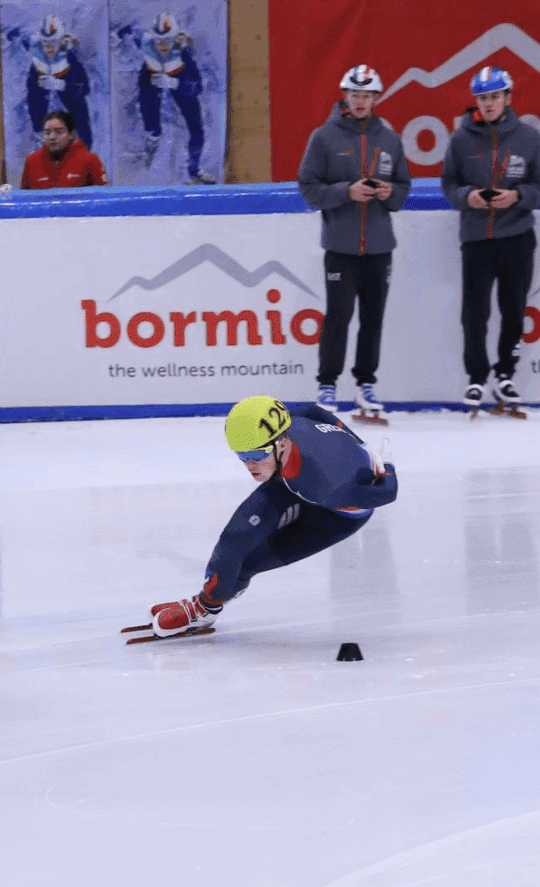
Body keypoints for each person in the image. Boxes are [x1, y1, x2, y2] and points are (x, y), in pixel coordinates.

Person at [143, 397, 399, 639]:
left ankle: (204, 610)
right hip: (293, 478)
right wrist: (359, 441)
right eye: (242, 456)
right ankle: (206, 605)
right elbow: (313, 410)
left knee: (250, 563)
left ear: (282, 444)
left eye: (255, 456)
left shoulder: (331, 487)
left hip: (337, 513)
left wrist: (386, 466)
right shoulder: (289, 427)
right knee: (236, 537)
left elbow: (387, 493)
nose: (249, 465)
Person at [296, 65, 410, 420]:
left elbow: (404, 189)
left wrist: (390, 193)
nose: (361, 102)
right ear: (345, 95)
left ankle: (366, 384)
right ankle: (327, 384)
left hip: (379, 247)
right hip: (341, 248)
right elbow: (308, 188)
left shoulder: (389, 139)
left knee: (373, 319)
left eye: (367, 96)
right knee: (339, 317)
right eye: (355, 95)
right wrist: (347, 191)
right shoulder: (324, 137)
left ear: (377, 98)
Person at [441, 67, 540, 411]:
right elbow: (448, 184)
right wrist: (468, 196)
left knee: (513, 311)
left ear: (507, 97)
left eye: (493, 97)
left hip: (517, 236)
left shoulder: (528, 137)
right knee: (474, 314)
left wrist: (518, 197)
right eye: (482, 98)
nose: (487, 104)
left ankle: (505, 374)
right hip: (476, 238)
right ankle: (476, 377)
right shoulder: (461, 139)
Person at [133, 13, 214, 184]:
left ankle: (194, 170)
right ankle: (151, 144)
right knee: (152, 126)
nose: (162, 46)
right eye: (158, 41)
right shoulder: (147, 48)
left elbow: (197, 86)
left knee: (196, 128)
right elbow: (130, 32)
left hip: (180, 81)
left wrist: (176, 84)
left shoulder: (184, 55)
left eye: (167, 41)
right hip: (154, 85)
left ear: (176, 40)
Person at [23, 15, 94, 153]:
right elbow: (30, 92)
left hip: (71, 123)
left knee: (80, 110)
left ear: (61, 42)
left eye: (53, 42)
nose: (49, 47)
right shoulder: (37, 63)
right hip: (47, 129)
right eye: (45, 43)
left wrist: (64, 85)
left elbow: (85, 88)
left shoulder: (70, 59)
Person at [19, 110, 107, 188]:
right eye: (47, 133)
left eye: (58, 132)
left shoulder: (90, 160)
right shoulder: (32, 161)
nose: (51, 137)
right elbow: (25, 199)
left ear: (72, 134)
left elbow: (102, 198)